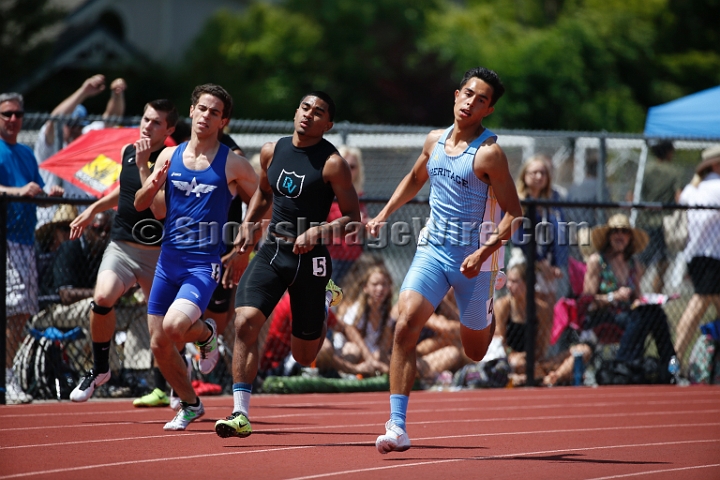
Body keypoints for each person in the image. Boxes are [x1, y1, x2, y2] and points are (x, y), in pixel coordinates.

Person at [367, 67, 522, 453]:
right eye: (467, 94)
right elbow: (415, 178)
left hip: (477, 261)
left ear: (488, 110)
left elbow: (515, 214)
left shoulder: (490, 154)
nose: (470, 102)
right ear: (456, 95)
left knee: (475, 352)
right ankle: (397, 426)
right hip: (433, 250)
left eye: (481, 99)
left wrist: (484, 252)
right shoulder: (434, 140)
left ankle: (487, 307)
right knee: (405, 326)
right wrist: (385, 213)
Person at [214, 91, 361, 439]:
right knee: (246, 321)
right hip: (272, 250)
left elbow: (353, 218)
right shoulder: (272, 150)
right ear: (296, 112)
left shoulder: (332, 164)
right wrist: (249, 226)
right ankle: (240, 413)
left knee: (305, 354)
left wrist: (319, 231)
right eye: (305, 108)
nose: (309, 115)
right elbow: (264, 193)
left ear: (329, 124)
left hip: (310, 261)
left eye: (319, 112)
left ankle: (322, 304)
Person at [134, 84, 258, 431]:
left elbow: (265, 202)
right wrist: (150, 175)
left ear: (224, 121)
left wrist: (244, 243)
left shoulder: (233, 163)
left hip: (203, 263)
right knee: (159, 343)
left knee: (175, 328)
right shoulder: (169, 156)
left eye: (214, 112)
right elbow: (152, 208)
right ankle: (190, 403)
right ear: (191, 111)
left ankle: (205, 334)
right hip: (168, 261)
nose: (206, 116)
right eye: (202, 109)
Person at [66, 99, 178, 404]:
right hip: (122, 245)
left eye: (156, 122)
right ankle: (100, 370)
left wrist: (144, 165)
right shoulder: (130, 151)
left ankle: (175, 382)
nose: (147, 126)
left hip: (157, 252)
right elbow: (125, 190)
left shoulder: (172, 159)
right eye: (145, 119)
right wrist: (93, 208)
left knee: (163, 327)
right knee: (102, 298)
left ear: (169, 128)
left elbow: (157, 207)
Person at [0, 92, 64, 404]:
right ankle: (7, 381)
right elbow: (13, 189)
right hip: (6, 238)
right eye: (6, 114)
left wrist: (49, 192)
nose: (13, 120)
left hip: (24, 241)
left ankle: (9, 378)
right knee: (13, 310)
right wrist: (16, 190)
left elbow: (33, 190)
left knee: (21, 312)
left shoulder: (25, 153)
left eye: (18, 114)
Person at [583, 213, 676, 381]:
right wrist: (613, 297)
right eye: (615, 231)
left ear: (630, 238)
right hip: (604, 315)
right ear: (608, 236)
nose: (620, 236)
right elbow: (588, 301)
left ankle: (671, 367)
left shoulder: (635, 265)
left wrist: (647, 300)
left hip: (630, 315)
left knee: (655, 313)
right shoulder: (597, 261)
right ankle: (623, 363)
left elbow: (637, 297)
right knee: (641, 317)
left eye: (624, 232)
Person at [34, 74, 126, 203]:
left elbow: (112, 119)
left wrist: (117, 95)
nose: (75, 130)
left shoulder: (85, 139)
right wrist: (84, 92)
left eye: (78, 126)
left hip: (82, 216)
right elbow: (54, 120)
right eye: (71, 125)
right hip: (52, 215)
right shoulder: (52, 144)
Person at [673, 146, 720, 361]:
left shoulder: (691, 189)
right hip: (712, 255)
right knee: (697, 306)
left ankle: (679, 361)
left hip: (694, 255)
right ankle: (675, 361)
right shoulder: (716, 186)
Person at [512, 154, 568, 307]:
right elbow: (519, 237)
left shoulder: (551, 203)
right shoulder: (517, 200)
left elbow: (559, 234)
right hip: (524, 261)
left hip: (547, 263)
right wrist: (540, 263)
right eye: (534, 172)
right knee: (531, 306)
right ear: (524, 175)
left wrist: (556, 264)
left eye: (543, 173)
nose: (539, 176)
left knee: (548, 307)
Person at [637, 140, 688, 294]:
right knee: (662, 264)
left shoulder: (646, 170)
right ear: (668, 152)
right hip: (665, 223)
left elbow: (633, 195)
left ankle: (634, 293)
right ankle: (656, 298)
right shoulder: (675, 172)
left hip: (645, 221)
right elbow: (679, 197)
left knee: (642, 262)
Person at [330, 264, 394, 375]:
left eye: (384, 284)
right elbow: (353, 340)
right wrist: (370, 359)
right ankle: (347, 375)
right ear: (365, 288)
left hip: (372, 356)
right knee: (354, 350)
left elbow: (383, 347)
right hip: (350, 353)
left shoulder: (386, 314)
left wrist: (379, 359)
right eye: (375, 284)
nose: (380, 289)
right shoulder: (356, 310)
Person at [327, 145, 368, 285]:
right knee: (331, 298)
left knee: (350, 299)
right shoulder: (327, 192)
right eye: (344, 165)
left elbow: (360, 224)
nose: (348, 170)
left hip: (354, 257)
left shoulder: (359, 194)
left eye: (352, 166)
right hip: (332, 256)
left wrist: (369, 223)